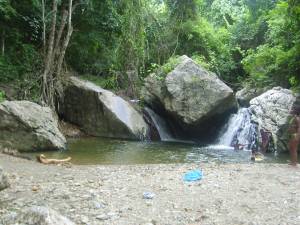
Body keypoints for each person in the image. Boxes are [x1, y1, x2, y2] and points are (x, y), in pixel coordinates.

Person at [288, 95, 300, 166]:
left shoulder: (297, 118)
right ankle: (292, 161)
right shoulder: (293, 117)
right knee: (291, 148)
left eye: (292, 109)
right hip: (292, 134)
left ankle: (294, 163)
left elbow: (299, 127)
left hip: (295, 135)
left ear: (295, 110)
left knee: (294, 149)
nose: (291, 110)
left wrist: (297, 136)